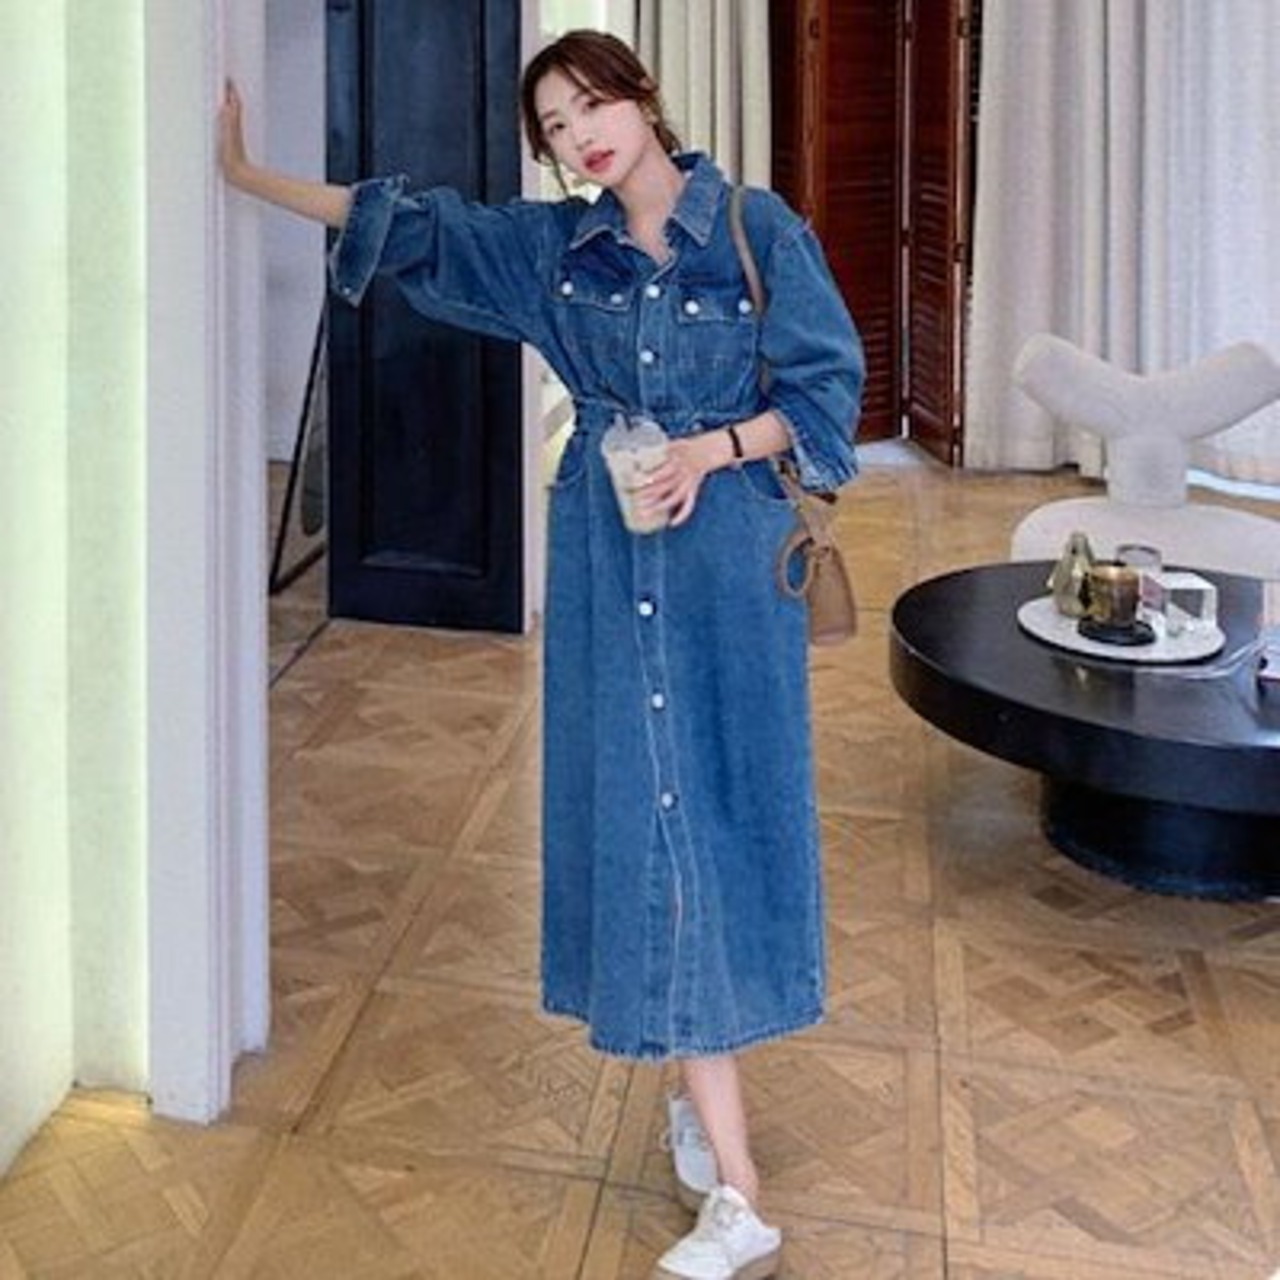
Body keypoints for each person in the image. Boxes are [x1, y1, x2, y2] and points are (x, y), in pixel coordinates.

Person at [220, 28, 863, 1280]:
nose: (578, 138)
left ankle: (736, 1188)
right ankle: (721, 1147)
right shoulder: (552, 251)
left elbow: (825, 398)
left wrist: (710, 448)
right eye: (555, 128)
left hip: (726, 571)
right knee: (650, 817)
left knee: (714, 819)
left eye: (589, 106)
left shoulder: (756, 230)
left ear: (640, 96)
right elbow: (413, 228)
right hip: (609, 563)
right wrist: (249, 177)